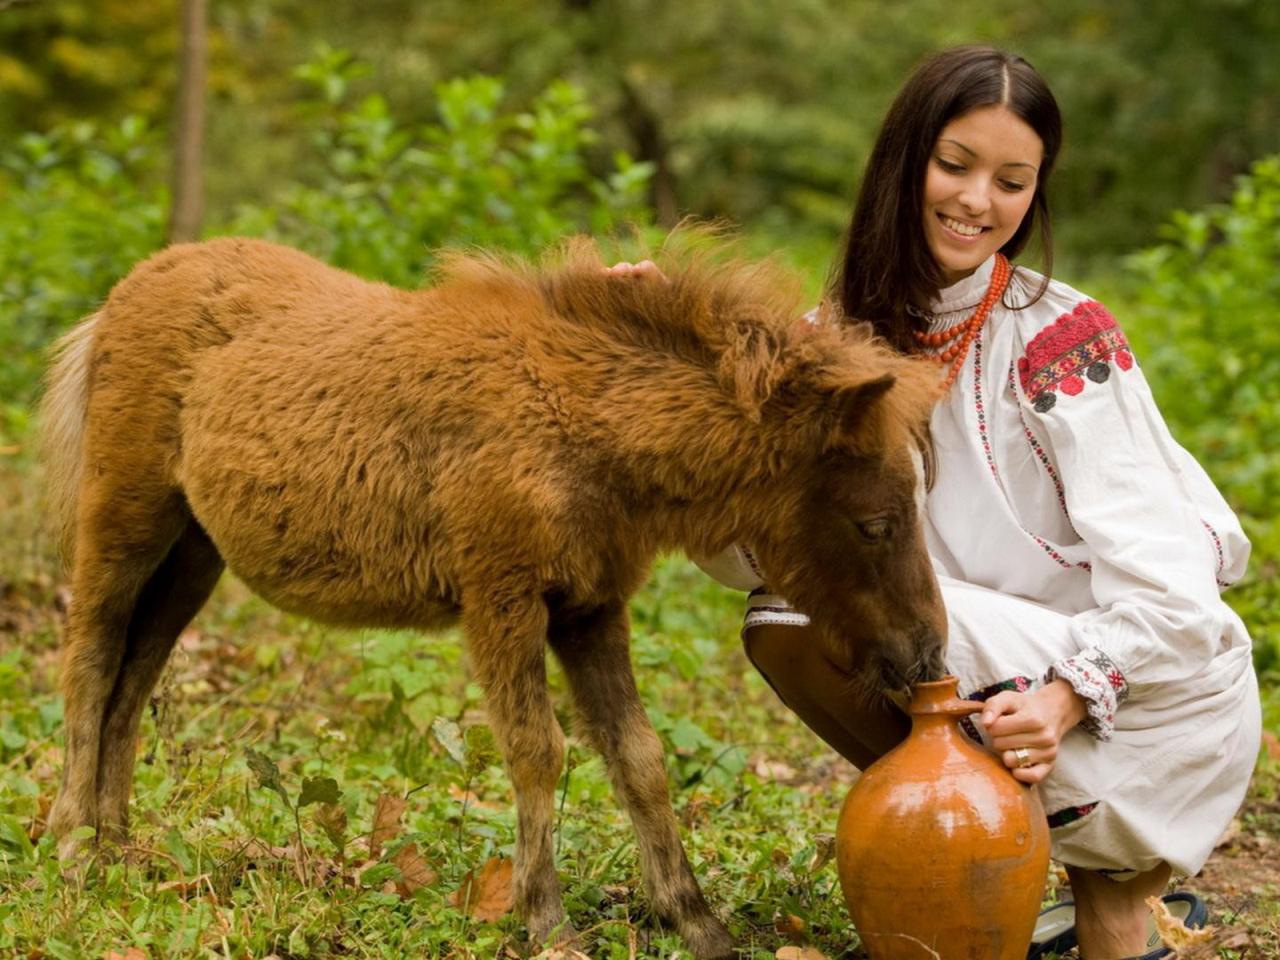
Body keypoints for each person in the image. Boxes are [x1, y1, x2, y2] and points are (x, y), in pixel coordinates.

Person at [609, 45, 1261, 960]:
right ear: (903, 161)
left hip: (1151, 706)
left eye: (1012, 180)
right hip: (991, 671)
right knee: (791, 613)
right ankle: (1011, 879)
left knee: (810, 615)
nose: (976, 201)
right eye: (953, 164)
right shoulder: (836, 341)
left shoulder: (1061, 337)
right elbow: (751, 555)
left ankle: (1079, 887)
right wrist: (686, 366)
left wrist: (1072, 696)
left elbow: (1177, 596)